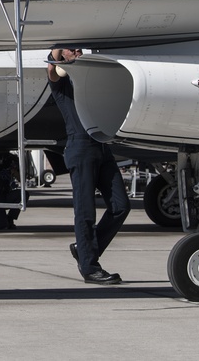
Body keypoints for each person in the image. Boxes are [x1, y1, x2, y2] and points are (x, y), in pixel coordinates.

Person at [47, 48, 129, 285]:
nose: (77, 51)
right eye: (71, 49)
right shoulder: (63, 84)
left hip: (101, 145)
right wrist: (57, 54)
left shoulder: (92, 80)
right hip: (80, 148)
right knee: (85, 212)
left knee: (120, 206)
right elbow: (51, 70)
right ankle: (90, 268)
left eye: (79, 48)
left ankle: (83, 251)